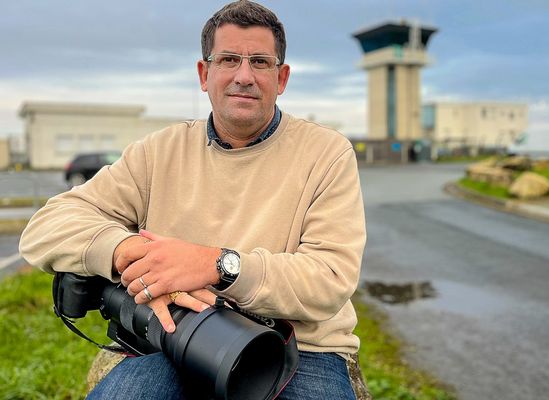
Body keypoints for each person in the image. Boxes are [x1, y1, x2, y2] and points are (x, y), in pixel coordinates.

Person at [19, 1, 366, 399]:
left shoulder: (327, 154)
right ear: (205, 74)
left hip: (303, 347)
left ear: (281, 77)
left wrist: (216, 266)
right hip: (175, 335)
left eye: (260, 62)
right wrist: (127, 250)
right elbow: (45, 228)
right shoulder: (159, 151)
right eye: (229, 59)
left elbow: (330, 277)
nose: (244, 76)